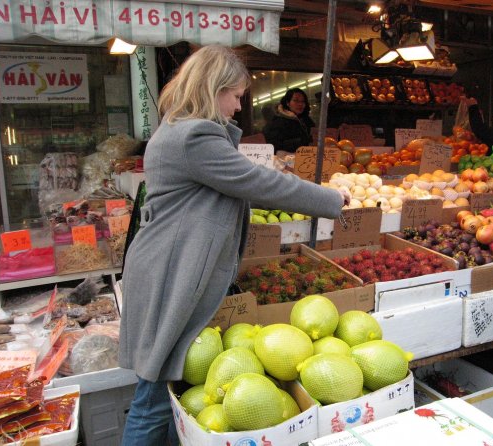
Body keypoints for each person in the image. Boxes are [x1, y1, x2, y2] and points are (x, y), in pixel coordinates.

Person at [119, 45, 351, 445]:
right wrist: (329, 199)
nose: (239, 105)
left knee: (170, 391)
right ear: (213, 89)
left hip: (167, 266)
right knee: (155, 396)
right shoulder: (195, 136)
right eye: (236, 95)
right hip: (171, 274)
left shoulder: (178, 128)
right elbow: (259, 183)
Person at [263, 87, 315, 154]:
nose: (300, 104)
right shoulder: (278, 121)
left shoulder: (307, 120)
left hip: (308, 158)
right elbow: (274, 145)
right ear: (287, 103)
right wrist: (301, 141)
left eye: (303, 101)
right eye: (296, 100)